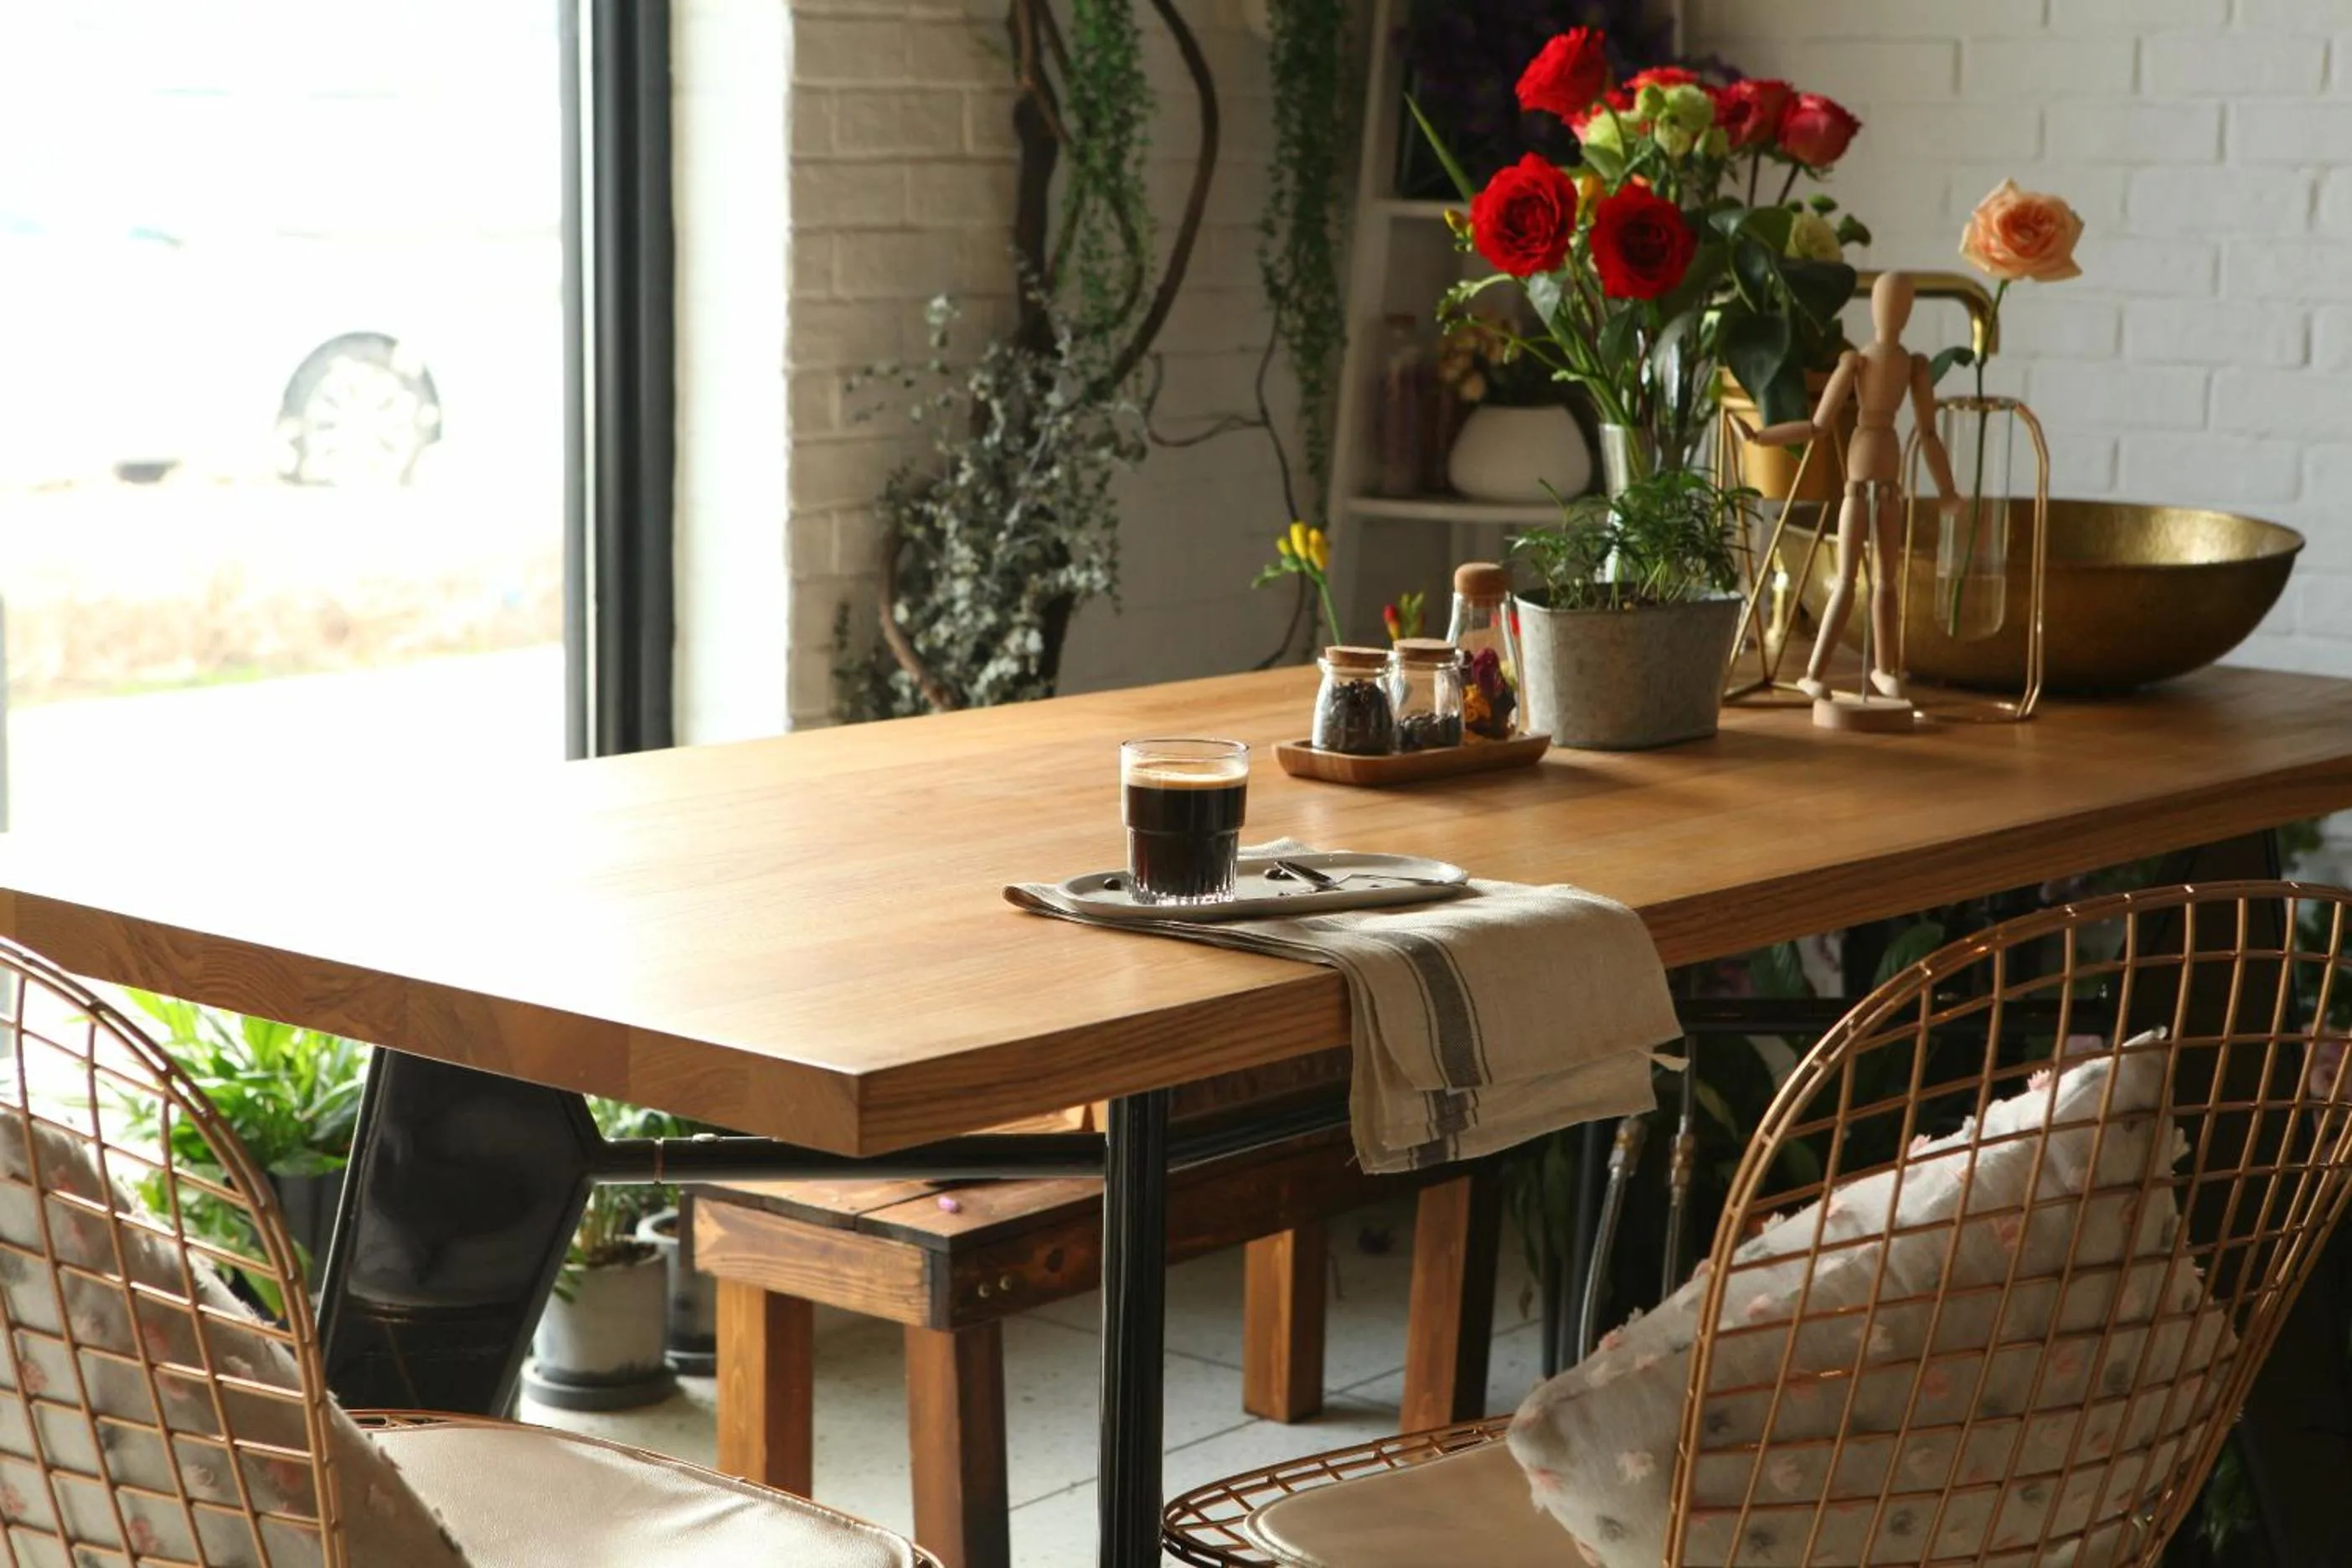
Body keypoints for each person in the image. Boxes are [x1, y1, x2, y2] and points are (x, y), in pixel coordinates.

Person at [1739, 271, 1961, 704]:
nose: (1893, 310)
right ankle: (1814, 671)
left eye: (1902, 303)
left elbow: (1929, 434)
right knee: (1845, 580)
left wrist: (1948, 490)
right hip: (1858, 479)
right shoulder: (1854, 361)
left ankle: (1883, 669)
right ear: (1875, 306)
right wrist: (1763, 438)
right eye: (1887, 300)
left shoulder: (1914, 365)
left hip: (1890, 478)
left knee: (1887, 582)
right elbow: (1818, 425)